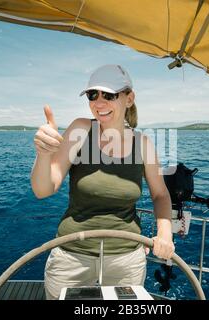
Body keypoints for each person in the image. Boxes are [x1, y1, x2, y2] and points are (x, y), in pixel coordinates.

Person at [30, 64, 174, 300]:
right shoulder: (80, 130)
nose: (98, 102)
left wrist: (164, 233)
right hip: (72, 255)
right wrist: (43, 155)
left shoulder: (144, 144)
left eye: (109, 95)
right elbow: (43, 190)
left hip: (126, 257)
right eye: (92, 95)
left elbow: (160, 195)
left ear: (129, 99)